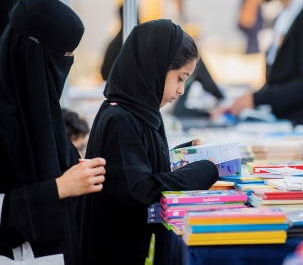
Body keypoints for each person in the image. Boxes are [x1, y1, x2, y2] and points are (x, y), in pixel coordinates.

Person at [75, 19, 219, 265]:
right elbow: (138, 190)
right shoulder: (121, 118)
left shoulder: (140, 111)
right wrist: (202, 171)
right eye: (180, 78)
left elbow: (139, 163)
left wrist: (183, 154)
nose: (182, 90)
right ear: (156, 68)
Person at [0, 0, 106, 265]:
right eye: (62, 56)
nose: (65, 65)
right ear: (32, 52)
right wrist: (58, 188)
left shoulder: (41, 109)